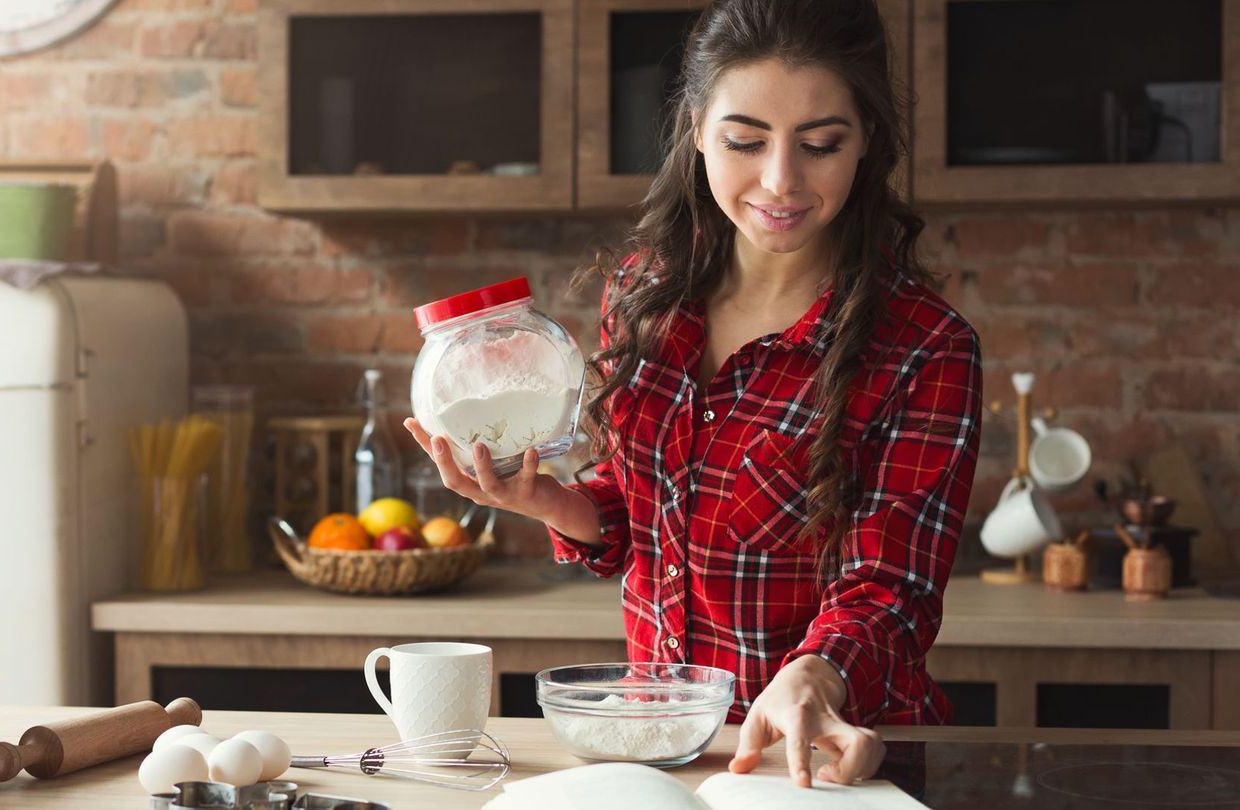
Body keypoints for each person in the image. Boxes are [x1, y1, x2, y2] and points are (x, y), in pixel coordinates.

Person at [404, 0, 982, 789]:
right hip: (665, 755)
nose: (781, 180)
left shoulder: (924, 346)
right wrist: (552, 502)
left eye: (820, 145)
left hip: (830, 764)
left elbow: (892, 589)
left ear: (867, 143)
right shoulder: (646, 295)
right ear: (699, 127)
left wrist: (816, 671)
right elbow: (643, 508)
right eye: (746, 141)